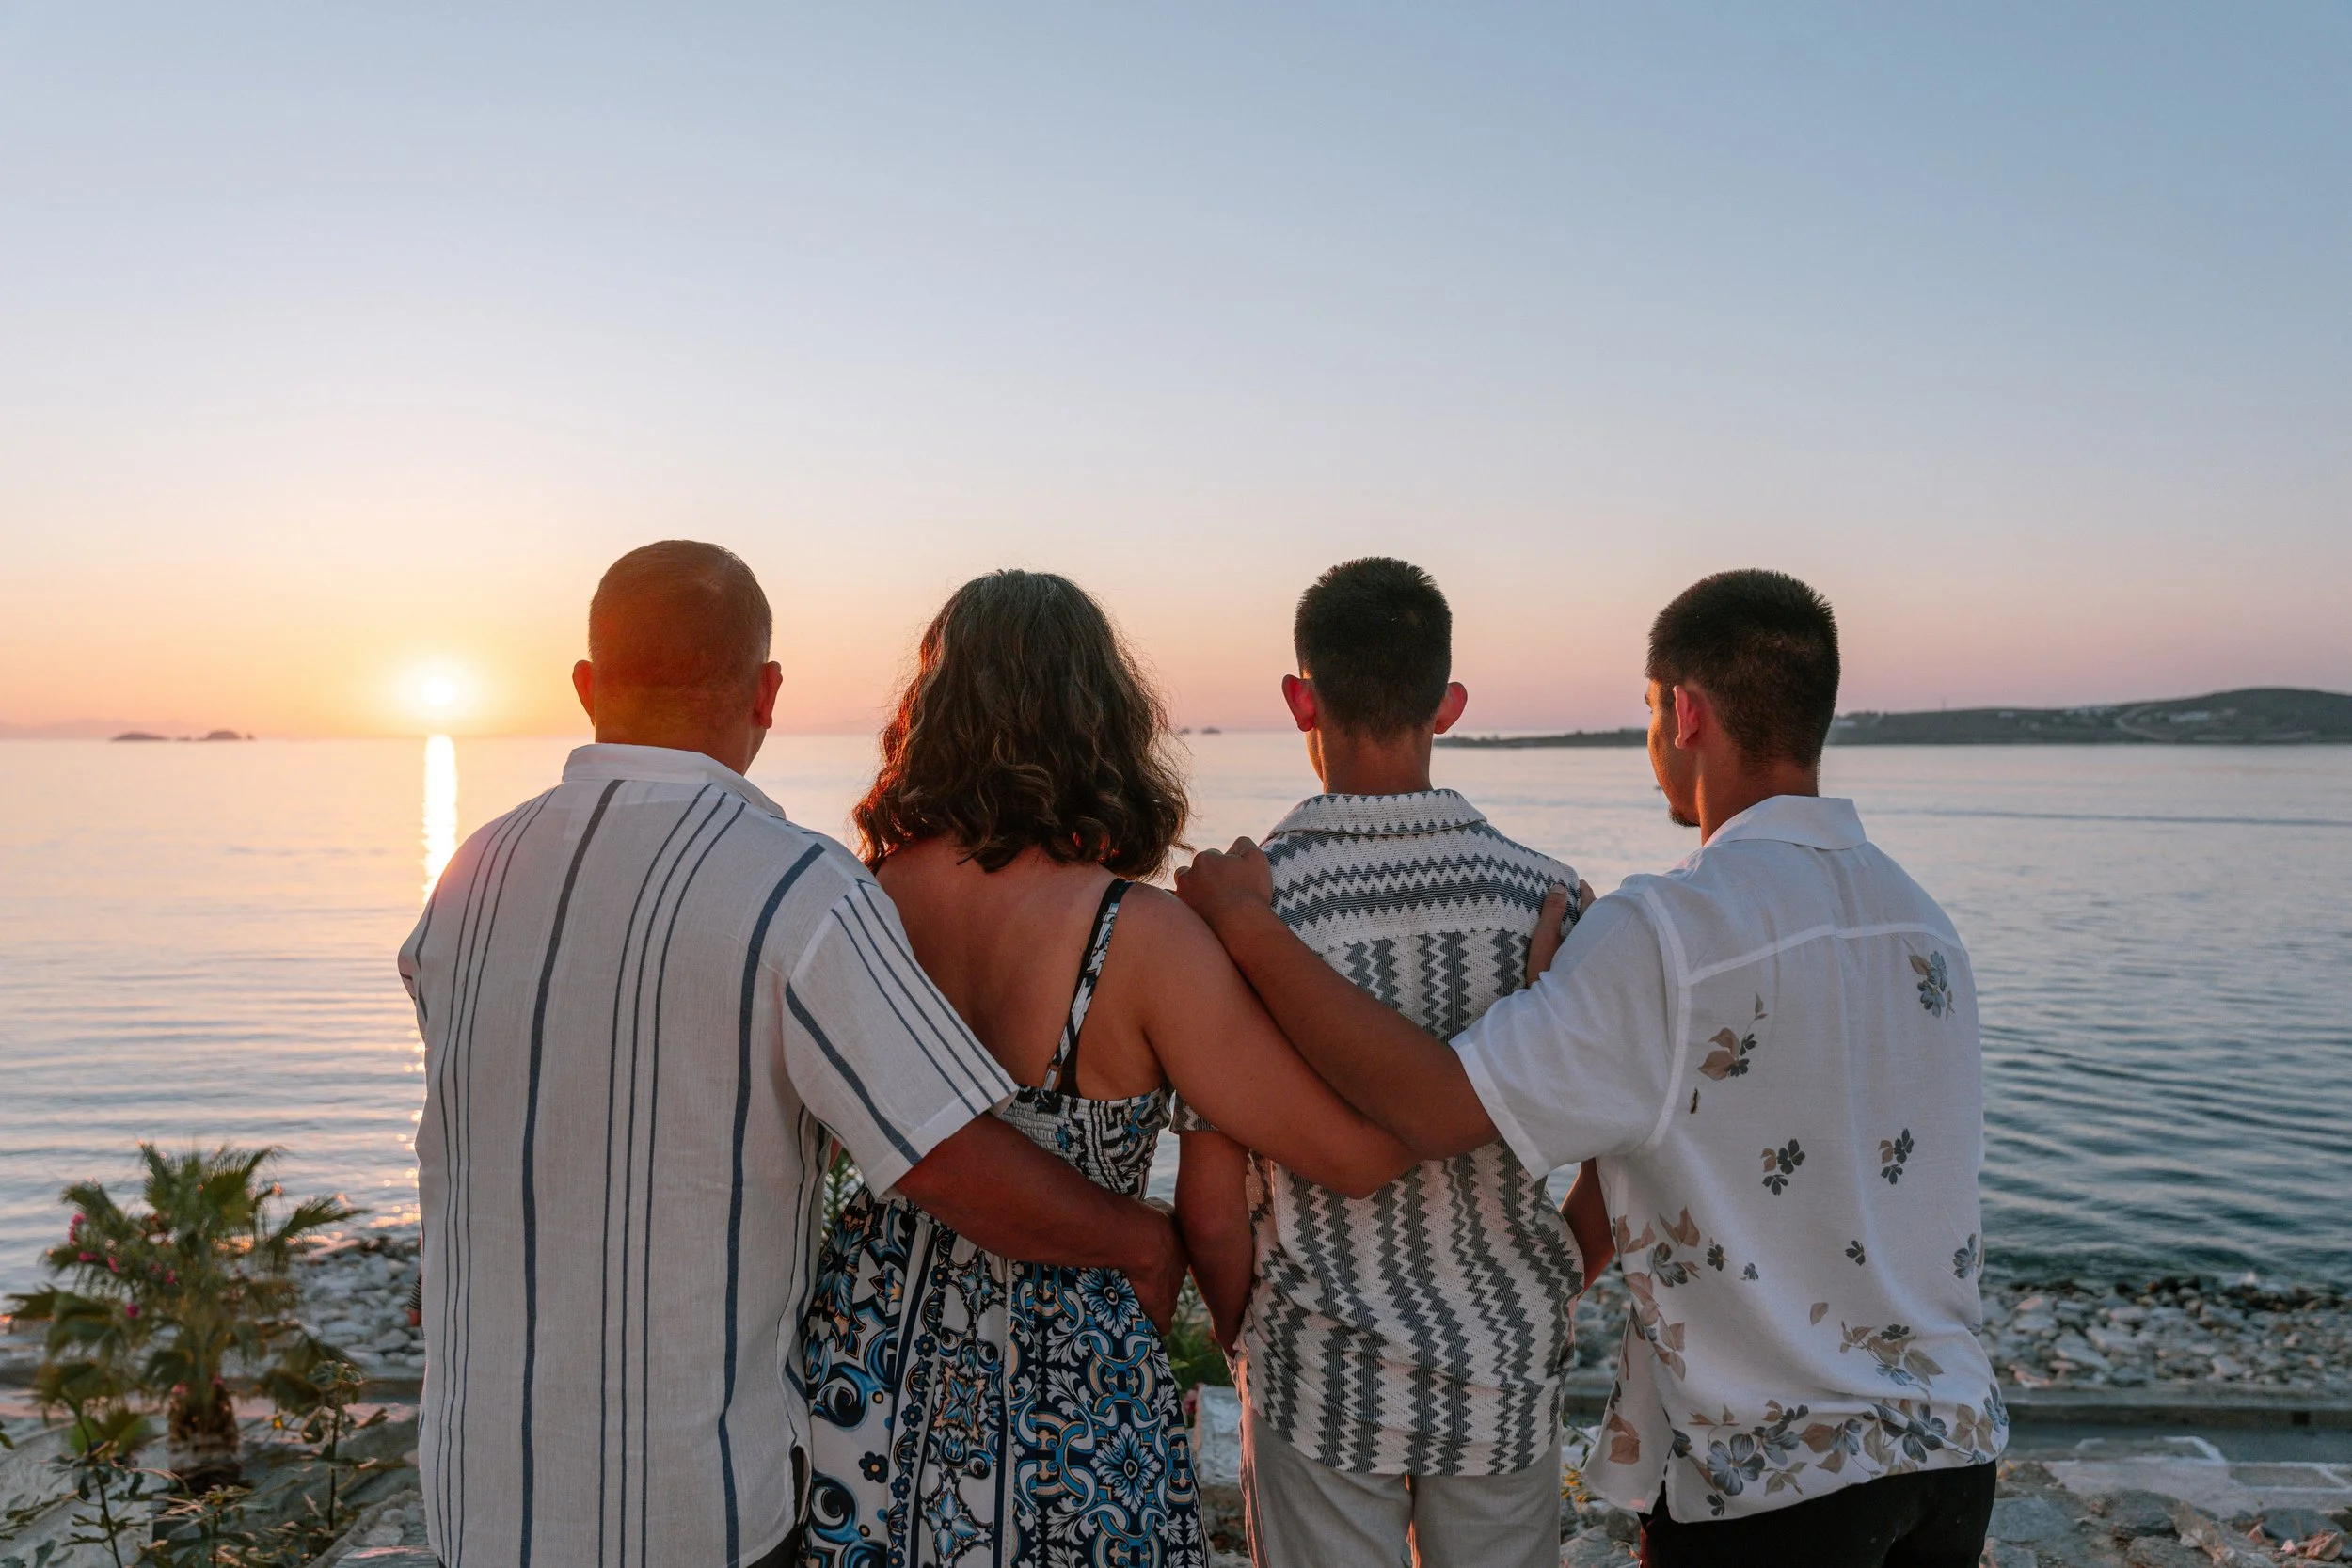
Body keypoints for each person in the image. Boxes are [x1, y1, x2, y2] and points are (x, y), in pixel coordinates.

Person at [1178, 570, 2006, 1568]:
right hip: (1950, 1446)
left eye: (1650, 710)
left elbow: (1437, 1107)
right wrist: (1540, 1281)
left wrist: (1245, 928)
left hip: (1775, 1476)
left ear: (1684, 710)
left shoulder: (1664, 930)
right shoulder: (1926, 924)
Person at [397, 542, 1184, 1568]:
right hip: (693, 1502)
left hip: (480, 1490)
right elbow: (946, 1158)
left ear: (588, 686)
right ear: (766, 692)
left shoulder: (469, 876)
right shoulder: (795, 891)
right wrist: (1140, 1239)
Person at [795, 570, 1422, 1568]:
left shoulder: (857, 902)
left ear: (933, 714)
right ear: (1105, 715)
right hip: (1070, 1373)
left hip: (868, 1359)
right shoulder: (1143, 939)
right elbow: (1350, 1154)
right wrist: (1492, 1066)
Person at [1171, 558, 1611, 1568]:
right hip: (1501, 1356)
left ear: (1299, 700)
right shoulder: (1550, 902)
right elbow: (1627, 1160)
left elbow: (1206, 1196)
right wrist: (1549, 1279)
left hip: (1318, 1363)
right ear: (1447, 704)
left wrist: (1250, 1338)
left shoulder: (1242, 912)